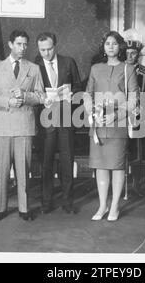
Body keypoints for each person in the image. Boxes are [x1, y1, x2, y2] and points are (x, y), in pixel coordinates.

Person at [0, 29, 45, 221]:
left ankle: (24, 209)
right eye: (19, 44)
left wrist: (25, 96)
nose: (23, 48)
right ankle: (1, 208)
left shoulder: (33, 68)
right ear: (10, 44)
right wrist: (7, 101)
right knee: (1, 169)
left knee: (23, 169)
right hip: (2, 125)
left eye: (25, 44)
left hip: (24, 126)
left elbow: (41, 96)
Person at [84, 31, 138, 221]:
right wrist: (92, 112)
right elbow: (87, 94)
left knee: (116, 166)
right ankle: (102, 206)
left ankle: (114, 206)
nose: (111, 46)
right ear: (103, 47)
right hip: (98, 124)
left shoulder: (128, 69)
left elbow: (133, 99)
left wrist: (117, 114)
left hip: (118, 125)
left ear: (120, 47)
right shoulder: (95, 69)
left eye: (114, 43)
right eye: (108, 43)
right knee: (101, 166)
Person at [34, 32, 82, 214]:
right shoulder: (34, 65)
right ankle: (46, 202)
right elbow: (32, 92)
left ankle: (68, 201)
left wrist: (70, 93)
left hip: (66, 118)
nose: (46, 53)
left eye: (49, 49)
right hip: (44, 120)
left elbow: (78, 87)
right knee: (46, 162)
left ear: (55, 46)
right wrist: (42, 97)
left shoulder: (68, 62)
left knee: (67, 161)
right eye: (42, 50)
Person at [121, 28, 145, 196]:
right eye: (127, 53)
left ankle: (136, 182)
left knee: (137, 150)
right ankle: (120, 183)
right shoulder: (118, 70)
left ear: (138, 55)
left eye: (133, 53)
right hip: (120, 115)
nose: (130, 56)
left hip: (138, 116)